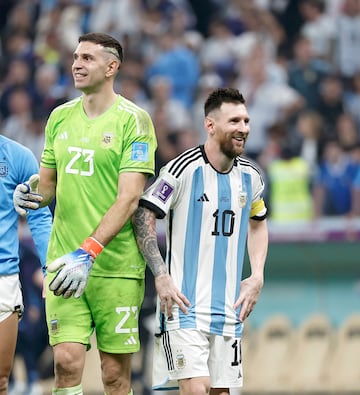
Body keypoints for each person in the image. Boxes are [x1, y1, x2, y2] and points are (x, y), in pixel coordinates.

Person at [13, 32, 157, 395]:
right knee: (65, 362)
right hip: (64, 265)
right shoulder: (59, 118)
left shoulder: (134, 121)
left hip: (116, 267)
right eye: (76, 57)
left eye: (88, 58)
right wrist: (31, 194)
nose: (76, 64)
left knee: (114, 375)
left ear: (112, 67)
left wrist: (88, 251)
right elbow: (49, 186)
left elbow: (129, 199)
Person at [132, 87, 269, 395]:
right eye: (234, 121)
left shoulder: (252, 177)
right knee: (197, 389)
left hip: (229, 311)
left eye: (246, 121)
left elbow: (258, 224)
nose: (244, 128)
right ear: (210, 125)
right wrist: (162, 276)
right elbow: (143, 216)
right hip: (184, 308)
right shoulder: (181, 170)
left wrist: (257, 275)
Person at [0, 134, 52, 395]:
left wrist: (49, 271)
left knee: (0, 379)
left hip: (4, 279)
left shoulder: (18, 157)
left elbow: (40, 216)